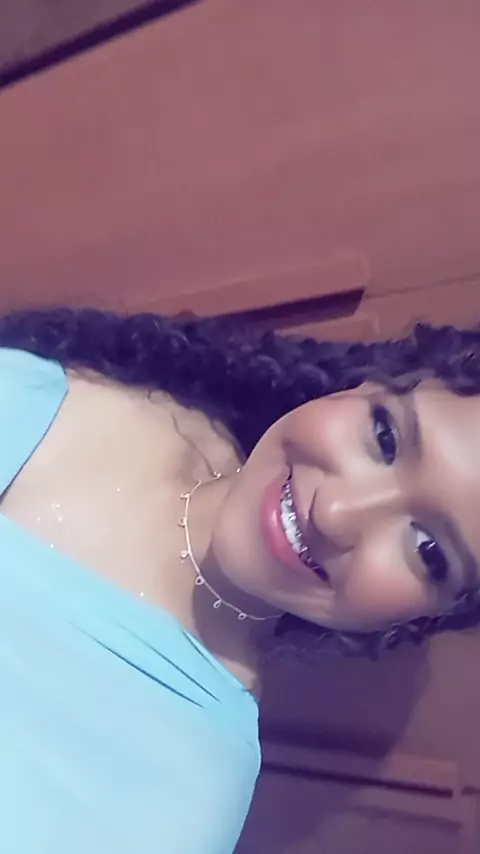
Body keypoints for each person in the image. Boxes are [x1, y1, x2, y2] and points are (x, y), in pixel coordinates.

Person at [0, 305, 479, 854]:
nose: (336, 513)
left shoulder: (183, 794)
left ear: (427, 613)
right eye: (385, 437)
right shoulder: (94, 394)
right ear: (369, 384)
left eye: (428, 549)